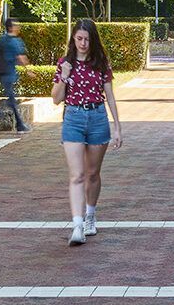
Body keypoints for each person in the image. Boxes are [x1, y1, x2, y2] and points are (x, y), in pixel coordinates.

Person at [51, 19, 123, 247]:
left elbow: (110, 96)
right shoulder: (65, 63)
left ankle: (90, 213)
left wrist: (117, 127)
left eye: (87, 39)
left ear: (93, 40)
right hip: (73, 118)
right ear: (73, 39)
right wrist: (64, 75)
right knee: (77, 175)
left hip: (97, 118)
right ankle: (77, 225)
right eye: (79, 38)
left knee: (92, 173)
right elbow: (55, 99)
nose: (83, 43)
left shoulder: (100, 63)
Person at [0, 18, 31, 134]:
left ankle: (19, 125)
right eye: (16, 25)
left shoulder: (2, 40)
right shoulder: (14, 41)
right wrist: (28, 70)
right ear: (11, 27)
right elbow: (21, 58)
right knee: (10, 100)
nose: (18, 27)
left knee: (11, 100)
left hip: (2, 74)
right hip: (9, 74)